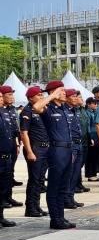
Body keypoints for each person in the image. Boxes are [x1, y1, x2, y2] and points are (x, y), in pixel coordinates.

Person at [32, 81, 75, 229]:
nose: (64, 93)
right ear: (52, 93)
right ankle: (55, 219)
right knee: (54, 186)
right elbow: (36, 107)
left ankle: (61, 217)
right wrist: (51, 96)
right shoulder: (48, 108)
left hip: (68, 150)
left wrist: (72, 152)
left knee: (63, 186)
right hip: (56, 151)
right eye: (61, 91)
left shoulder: (64, 109)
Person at [20, 86, 49, 217]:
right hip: (35, 148)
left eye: (42, 95)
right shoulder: (27, 112)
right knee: (34, 179)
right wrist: (29, 151)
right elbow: (24, 133)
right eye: (38, 95)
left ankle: (36, 206)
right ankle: (30, 208)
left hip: (45, 147)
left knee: (41, 180)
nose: (41, 97)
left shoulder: (42, 110)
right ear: (31, 98)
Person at [0, 86, 22, 209]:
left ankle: (8, 197)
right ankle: (3, 199)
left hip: (12, 143)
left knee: (10, 172)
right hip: (3, 145)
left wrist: (17, 143)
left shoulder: (12, 110)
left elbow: (15, 128)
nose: (12, 97)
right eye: (9, 95)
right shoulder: (2, 110)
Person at [63, 89, 84, 210]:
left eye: (77, 96)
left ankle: (71, 197)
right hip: (71, 145)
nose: (76, 98)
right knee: (69, 173)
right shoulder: (64, 110)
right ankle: (66, 198)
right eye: (73, 96)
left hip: (79, 143)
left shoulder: (75, 110)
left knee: (76, 172)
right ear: (66, 98)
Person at [0, 88, 17, 228]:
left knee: (3, 188)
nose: (1, 99)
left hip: (6, 157)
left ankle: (1, 217)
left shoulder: (4, 112)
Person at [85, 97, 99, 181]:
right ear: (88, 104)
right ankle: (90, 174)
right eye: (94, 103)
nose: (96, 105)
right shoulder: (88, 113)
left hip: (96, 137)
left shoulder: (94, 113)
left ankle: (94, 173)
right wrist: (90, 138)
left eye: (97, 103)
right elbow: (88, 127)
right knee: (90, 157)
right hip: (92, 137)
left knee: (95, 157)